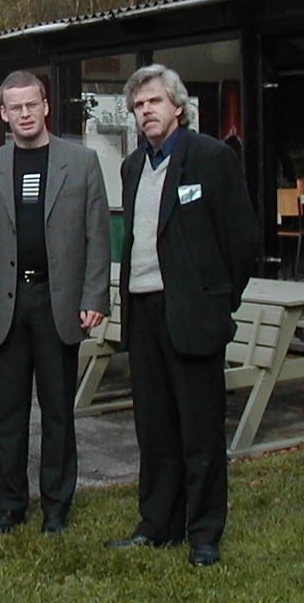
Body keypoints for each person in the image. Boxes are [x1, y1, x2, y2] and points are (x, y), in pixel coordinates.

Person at [104, 64, 258, 567]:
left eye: (153, 102)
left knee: (200, 430)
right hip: (144, 312)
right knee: (154, 427)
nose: (145, 111)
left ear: (178, 107)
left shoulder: (211, 158)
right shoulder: (133, 167)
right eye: (138, 105)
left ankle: (204, 533)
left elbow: (242, 241)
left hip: (192, 314)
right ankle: (157, 524)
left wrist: (217, 300)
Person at [0, 71, 110, 535]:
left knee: (57, 411)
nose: (24, 114)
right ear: (3, 113)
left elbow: (97, 236)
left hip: (59, 301)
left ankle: (56, 506)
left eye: (32, 105)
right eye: (15, 107)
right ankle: (9, 506)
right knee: (7, 413)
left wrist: (94, 295)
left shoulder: (82, 162)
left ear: (46, 106)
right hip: (6, 304)